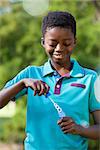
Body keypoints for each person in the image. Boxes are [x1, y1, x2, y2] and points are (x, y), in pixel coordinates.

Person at [0, 11, 100, 150]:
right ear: (43, 42)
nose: (59, 49)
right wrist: (22, 83)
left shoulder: (91, 79)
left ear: (75, 41)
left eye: (66, 43)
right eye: (53, 44)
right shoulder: (31, 73)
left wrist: (79, 129)